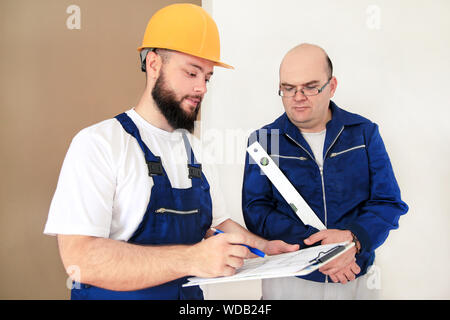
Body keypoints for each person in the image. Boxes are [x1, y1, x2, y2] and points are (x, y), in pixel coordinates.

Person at [43, 4, 298, 300]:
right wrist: (191, 259)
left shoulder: (197, 151)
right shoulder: (100, 143)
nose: (201, 88)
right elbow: (81, 258)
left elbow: (216, 224)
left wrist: (265, 249)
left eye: (207, 77)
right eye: (191, 73)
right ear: (154, 65)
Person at [242, 43, 409, 299]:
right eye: (288, 88)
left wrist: (353, 240)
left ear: (331, 86)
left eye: (310, 87)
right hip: (290, 278)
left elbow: (387, 202)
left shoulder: (364, 133)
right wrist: (325, 248)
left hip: (353, 275)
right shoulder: (265, 140)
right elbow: (257, 212)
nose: (298, 96)